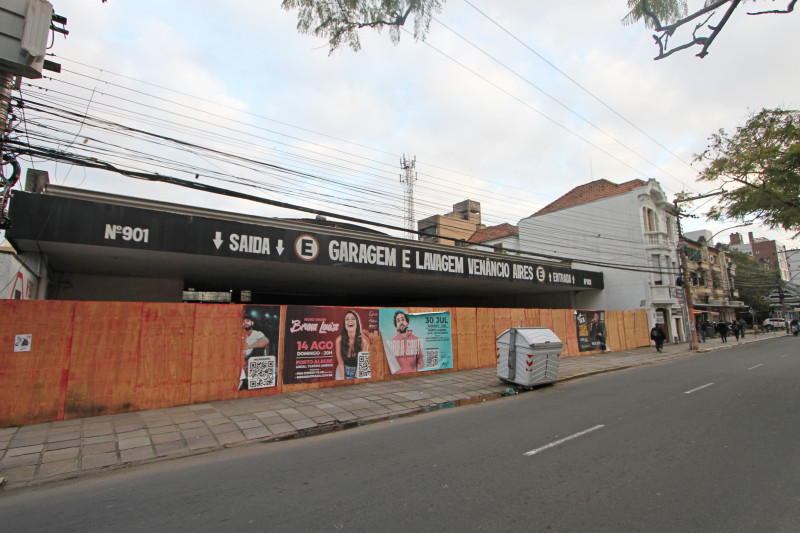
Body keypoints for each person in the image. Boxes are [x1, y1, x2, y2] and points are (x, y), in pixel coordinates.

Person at [334, 310, 371, 379]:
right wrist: (343, 379)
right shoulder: (339, 340)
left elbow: (361, 365)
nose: (350, 321)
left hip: (358, 371)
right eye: (347, 319)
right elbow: (340, 363)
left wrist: (355, 378)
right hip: (342, 370)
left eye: (353, 319)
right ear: (345, 324)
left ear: (357, 323)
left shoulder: (363, 341)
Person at [239, 316, 270, 391]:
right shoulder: (238, 333)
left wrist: (248, 347)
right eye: (243, 321)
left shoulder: (257, 334)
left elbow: (266, 342)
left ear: (252, 323)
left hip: (250, 359)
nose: (245, 323)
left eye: (248, 321)